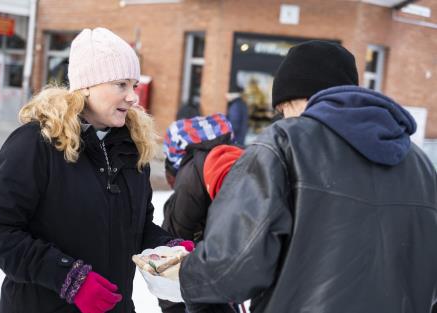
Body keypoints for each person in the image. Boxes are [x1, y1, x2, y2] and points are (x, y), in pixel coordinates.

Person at [179, 40, 437, 312]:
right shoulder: (421, 164)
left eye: (282, 109)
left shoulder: (283, 144)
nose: (283, 117)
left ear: (293, 99)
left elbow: (230, 269)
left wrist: (186, 275)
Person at [0, 27, 192, 313]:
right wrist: (68, 278)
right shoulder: (35, 145)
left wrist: (168, 249)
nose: (133, 97)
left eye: (134, 85)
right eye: (121, 84)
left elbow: (137, 228)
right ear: (87, 85)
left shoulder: (133, 149)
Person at [159, 114, 243, 313]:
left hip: (203, 280)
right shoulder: (241, 158)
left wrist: (173, 308)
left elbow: (170, 255)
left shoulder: (189, 179)